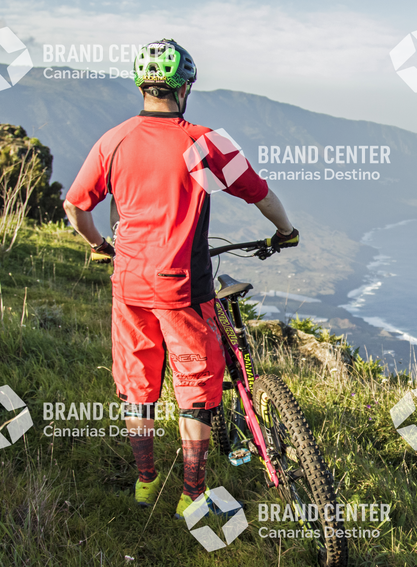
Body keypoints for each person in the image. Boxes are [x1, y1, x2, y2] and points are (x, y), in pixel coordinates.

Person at [62, 39, 299, 518]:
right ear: (185, 86)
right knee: (194, 384)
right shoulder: (205, 139)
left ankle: (146, 481)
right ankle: (192, 494)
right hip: (183, 286)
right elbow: (259, 193)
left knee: (137, 381)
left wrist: (98, 246)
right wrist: (286, 231)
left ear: (142, 84)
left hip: (129, 283)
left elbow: (74, 206)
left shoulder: (114, 140)